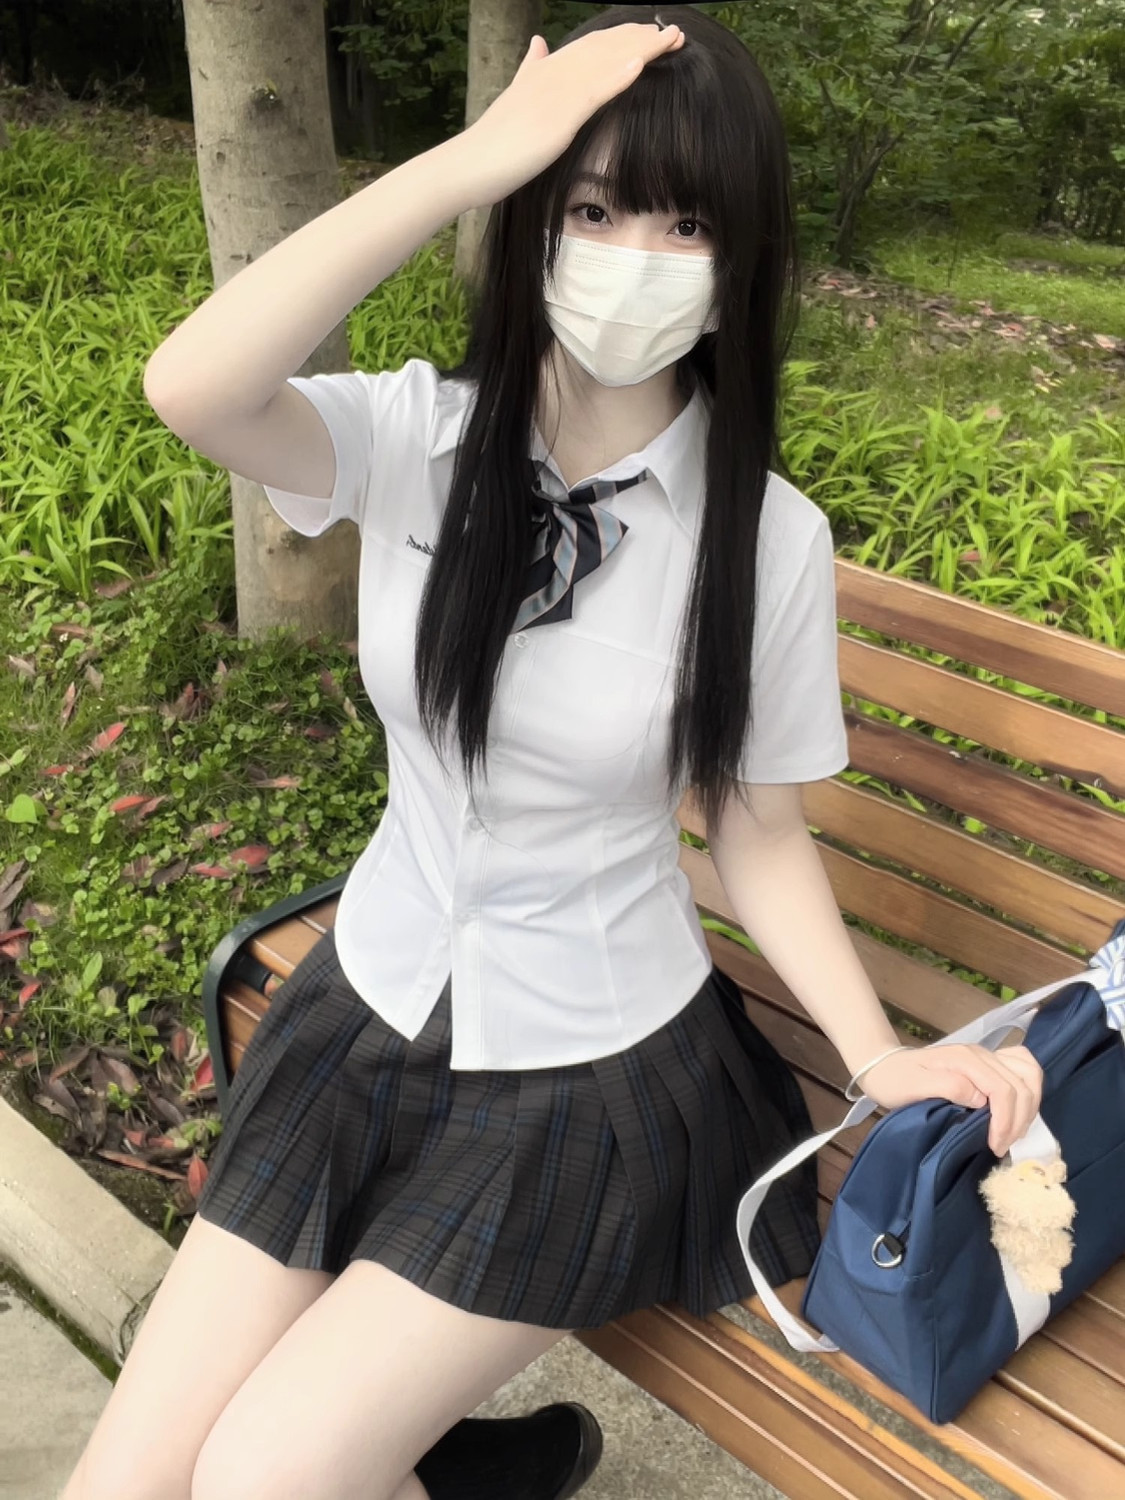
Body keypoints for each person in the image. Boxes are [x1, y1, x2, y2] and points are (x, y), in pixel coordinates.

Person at [63, 7, 1045, 1500]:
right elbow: (191, 385)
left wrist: (877, 1057)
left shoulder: (763, 540)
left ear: (739, 262)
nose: (634, 257)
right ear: (534, 224)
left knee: (262, 1478)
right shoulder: (416, 436)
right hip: (371, 1004)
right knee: (125, 1485)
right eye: (592, 209)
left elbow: (754, 825)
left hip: (586, 1074)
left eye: (684, 223)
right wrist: (470, 162)